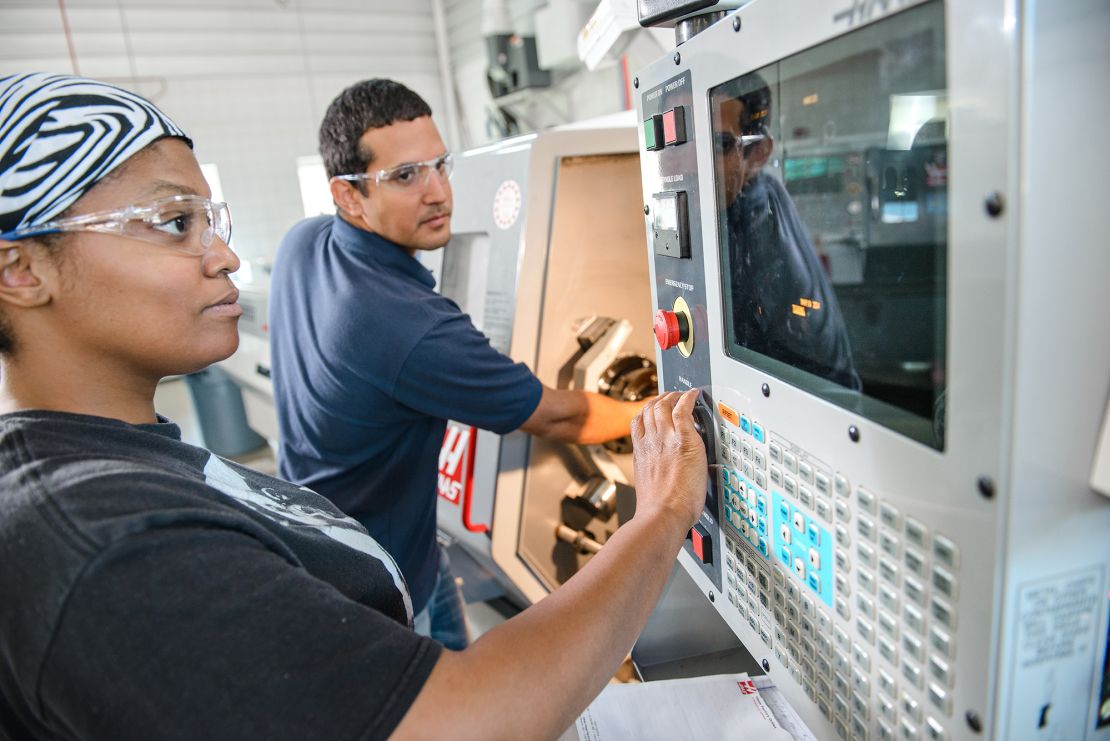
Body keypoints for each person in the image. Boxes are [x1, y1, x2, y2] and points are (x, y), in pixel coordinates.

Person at [0, 73, 706, 739]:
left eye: (210, 218)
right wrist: (663, 503)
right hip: (380, 586)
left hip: (386, 559)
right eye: (172, 221)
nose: (226, 259)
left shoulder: (307, 244)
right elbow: (470, 717)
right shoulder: (109, 549)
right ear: (21, 269)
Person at [268, 79, 647, 650]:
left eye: (439, 165)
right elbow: (560, 419)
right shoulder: (406, 328)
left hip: (339, 540)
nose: (438, 192)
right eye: (404, 176)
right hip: (379, 584)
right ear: (347, 196)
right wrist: (658, 411)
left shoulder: (302, 241)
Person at [713, 76, 861, 391]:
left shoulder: (752, 214)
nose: (696, 166)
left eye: (720, 145)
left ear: (758, 155)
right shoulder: (759, 191)